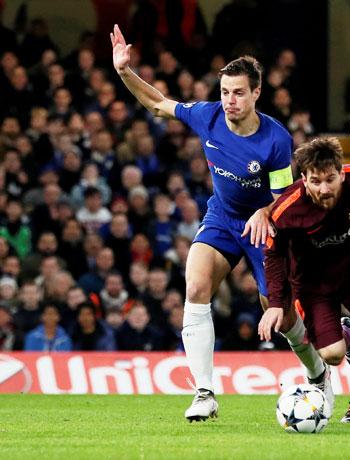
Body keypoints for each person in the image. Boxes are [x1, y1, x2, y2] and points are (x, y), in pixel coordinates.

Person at [111, 25, 321, 422]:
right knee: (195, 285)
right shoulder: (207, 117)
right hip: (223, 218)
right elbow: (159, 104)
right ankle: (205, 392)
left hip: (267, 226)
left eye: (238, 92)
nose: (229, 100)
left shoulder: (276, 140)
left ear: (257, 92)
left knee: (280, 314)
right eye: (225, 92)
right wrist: (125, 72)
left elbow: (284, 200)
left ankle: (316, 372)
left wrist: (266, 213)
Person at [258, 137, 350, 425]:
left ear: (341, 173)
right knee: (333, 355)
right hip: (314, 285)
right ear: (303, 179)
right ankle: (347, 337)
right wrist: (277, 303)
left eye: (330, 179)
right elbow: (273, 255)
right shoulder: (287, 209)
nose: (324, 189)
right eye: (315, 181)